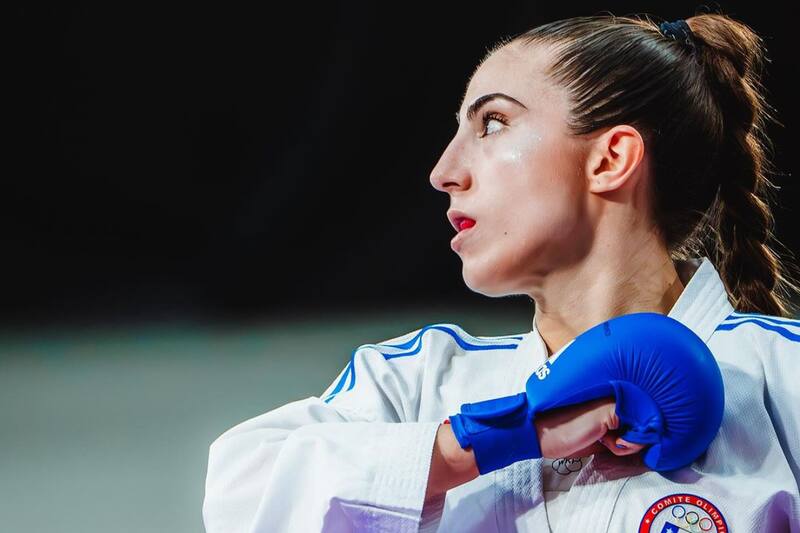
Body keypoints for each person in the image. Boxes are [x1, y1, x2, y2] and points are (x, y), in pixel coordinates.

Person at [202, 12, 800, 532]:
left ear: (611, 158)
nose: (443, 171)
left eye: (491, 123)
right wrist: (505, 434)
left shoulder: (783, 381)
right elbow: (240, 494)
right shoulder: (416, 383)